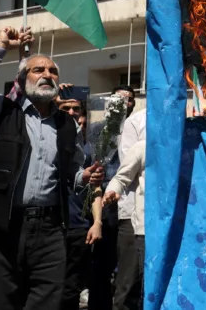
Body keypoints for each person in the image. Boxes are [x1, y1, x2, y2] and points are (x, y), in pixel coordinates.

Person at [0, 26, 105, 310]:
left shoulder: (67, 125)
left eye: (52, 71)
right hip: (1, 226)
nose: (47, 75)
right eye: (38, 70)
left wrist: (84, 177)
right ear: (22, 79)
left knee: (47, 301)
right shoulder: (1, 112)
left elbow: (72, 173)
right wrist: (1, 45)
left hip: (50, 230)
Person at [86, 85, 134, 310]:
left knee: (127, 268)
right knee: (100, 267)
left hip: (130, 208)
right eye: (119, 99)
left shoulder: (138, 130)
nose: (124, 103)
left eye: (129, 99)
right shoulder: (97, 130)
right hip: (101, 205)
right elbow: (90, 165)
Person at [58, 96, 103, 310]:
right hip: (52, 225)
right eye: (65, 107)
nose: (72, 112)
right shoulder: (47, 141)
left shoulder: (88, 151)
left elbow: (95, 188)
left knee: (71, 289)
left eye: (76, 109)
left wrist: (97, 222)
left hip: (78, 225)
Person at [103, 139, 145, 305]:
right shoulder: (142, 146)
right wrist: (112, 191)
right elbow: (121, 178)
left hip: (179, 230)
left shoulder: (188, 144)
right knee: (140, 287)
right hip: (145, 231)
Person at [113, 103, 146, 310]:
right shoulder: (137, 122)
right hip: (134, 216)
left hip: (168, 221)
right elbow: (127, 169)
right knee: (129, 281)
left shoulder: (183, 121)